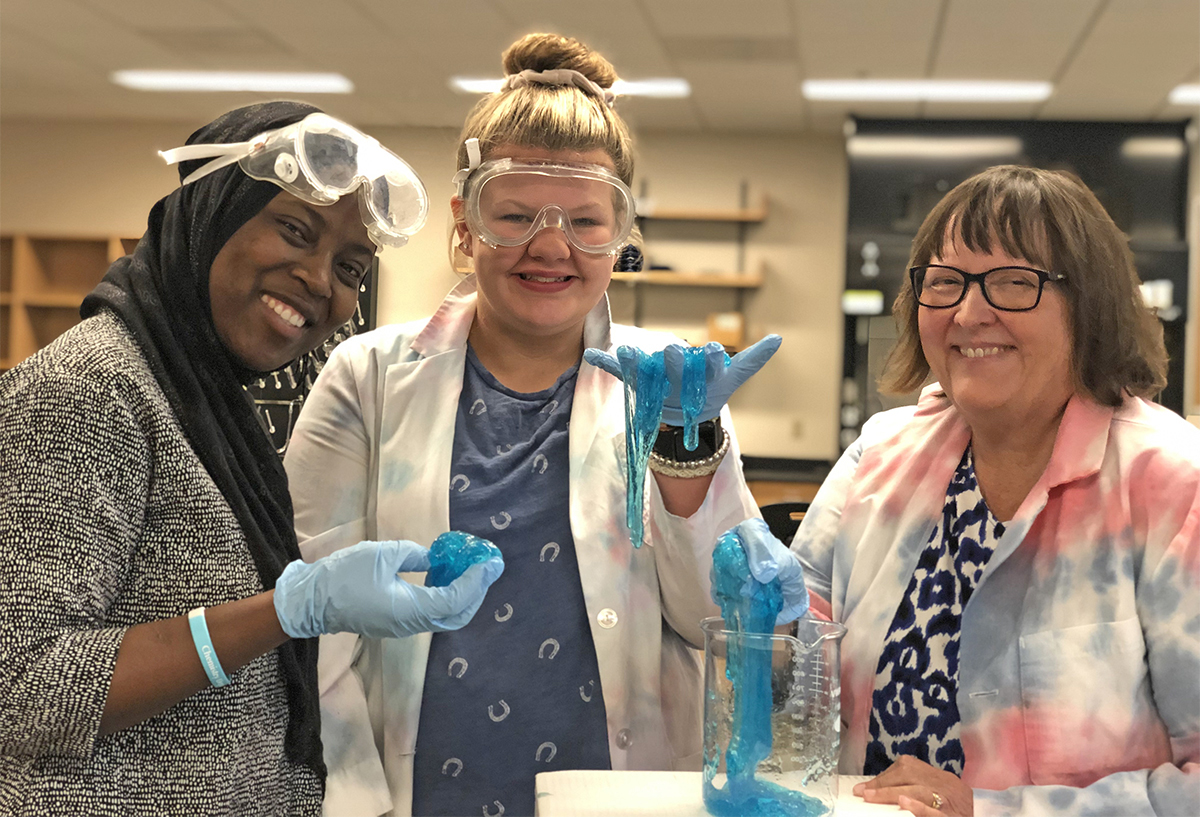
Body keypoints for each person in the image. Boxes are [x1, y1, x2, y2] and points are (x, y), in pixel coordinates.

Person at [283, 33, 778, 817]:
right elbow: (313, 629)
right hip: (415, 794)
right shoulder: (367, 379)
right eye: (512, 213)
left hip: (620, 794)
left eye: (587, 221)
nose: (551, 246)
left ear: (622, 237)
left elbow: (718, 625)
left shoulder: (668, 387)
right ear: (464, 221)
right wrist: (354, 799)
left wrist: (689, 459)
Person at [0, 101, 503, 817]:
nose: (320, 280)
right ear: (212, 207)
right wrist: (286, 610)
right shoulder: (88, 390)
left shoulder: (204, 403)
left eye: (350, 268)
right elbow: (22, 689)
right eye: (296, 231)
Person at [726, 164, 1199, 816]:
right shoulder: (878, 457)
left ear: (1090, 304)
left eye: (1013, 283)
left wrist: (995, 809)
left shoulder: (1172, 484)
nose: (970, 313)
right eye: (945, 283)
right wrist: (764, 631)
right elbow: (793, 689)